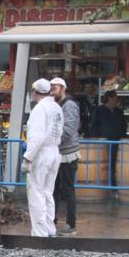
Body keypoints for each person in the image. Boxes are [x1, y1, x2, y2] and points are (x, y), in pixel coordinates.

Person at [23, 78, 63, 237]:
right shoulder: (57, 108)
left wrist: (28, 157)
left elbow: (36, 137)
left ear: (35, 92)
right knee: (47, 192)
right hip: (54, 151)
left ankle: (39, 233)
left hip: (41, 153)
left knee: (36, 193)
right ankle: (49, 229)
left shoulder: (40, 109)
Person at [50, 77, 80, 236]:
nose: (52, 90)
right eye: (51, 88)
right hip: (58, 152)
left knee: (68, 190)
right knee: (54, 189)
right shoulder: (56, 105)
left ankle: (71, 223)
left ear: (63, 88)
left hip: (68, 154)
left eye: (55, 88)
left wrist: (52, 140)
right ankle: (52, 219)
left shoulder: (69, 105)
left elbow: (68, 129)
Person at [89, 91, 126, 185]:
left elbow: (123, 126)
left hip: (116, 142)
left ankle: (114, 184)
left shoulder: (119, 111)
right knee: (103, 165)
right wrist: (96, 141)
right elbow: (94, 126)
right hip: (102, 144)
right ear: (109, 98)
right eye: (115, 97)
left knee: (115, 165)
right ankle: (103, 184)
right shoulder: (99, 110)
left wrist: (122, 138)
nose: (117, 99)